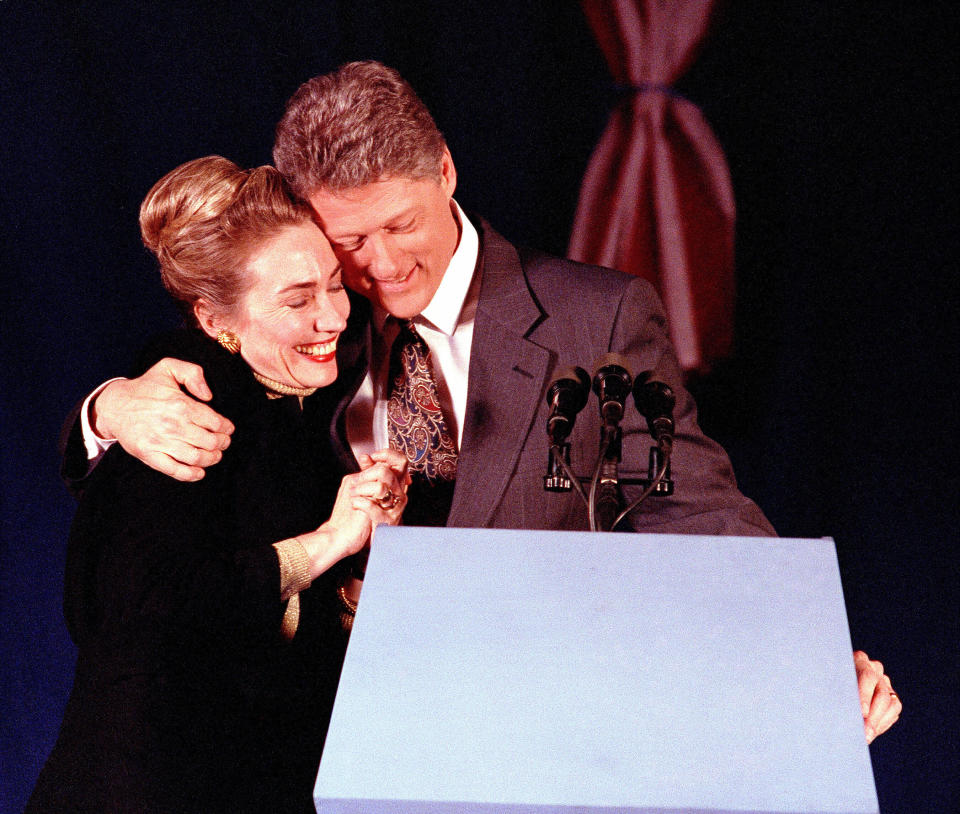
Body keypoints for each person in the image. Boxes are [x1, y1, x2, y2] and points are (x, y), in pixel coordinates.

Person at [63, 62, 900, 742]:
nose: (378, 266)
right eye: (348, 239)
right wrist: (106, 413)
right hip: (316, 747)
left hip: (533, 735)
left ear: (446, 172)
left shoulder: (594, 317)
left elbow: (691, 507)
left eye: (399, 225)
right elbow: (187, 399)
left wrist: (807, 655)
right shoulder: (309, 316)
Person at [29, 156, 409, 813]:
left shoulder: (292, 408)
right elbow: (137, 611)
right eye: (298, 300)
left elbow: (279, 646)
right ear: (213, 321)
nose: (333, 318)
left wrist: (360, 564)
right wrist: (325, 542)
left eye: (333, 286)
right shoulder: (186, 407)